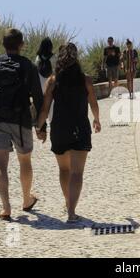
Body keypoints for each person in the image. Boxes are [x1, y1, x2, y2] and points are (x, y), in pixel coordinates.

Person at [0, 28, 44, 221]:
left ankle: (6, 207)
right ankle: (26, 200)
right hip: (20, 120)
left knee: (1, 163)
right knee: (24, 160)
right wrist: (41, 126)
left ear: (4, 44)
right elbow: (39, 98)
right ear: (21, 45)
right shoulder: (28, 66)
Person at [37, 43, 101, 223]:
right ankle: (72, 212)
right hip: (79, 128)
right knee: (77, 173)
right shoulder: (85, 79)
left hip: (59, 129)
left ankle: (68, 203)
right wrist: (97, 119)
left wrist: (39, 127)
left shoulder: (53, 80)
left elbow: (44, 108)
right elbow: (94, 103)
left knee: (64, 169)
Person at [35, 37, 57, 122]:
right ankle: (52, 120)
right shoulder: (53, 57)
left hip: (41, 81)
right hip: (51, 81)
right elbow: (56, 69)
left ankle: (42, 121)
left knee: (43, 103)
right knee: (52, 102)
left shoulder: (38, 57)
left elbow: (36, 69)